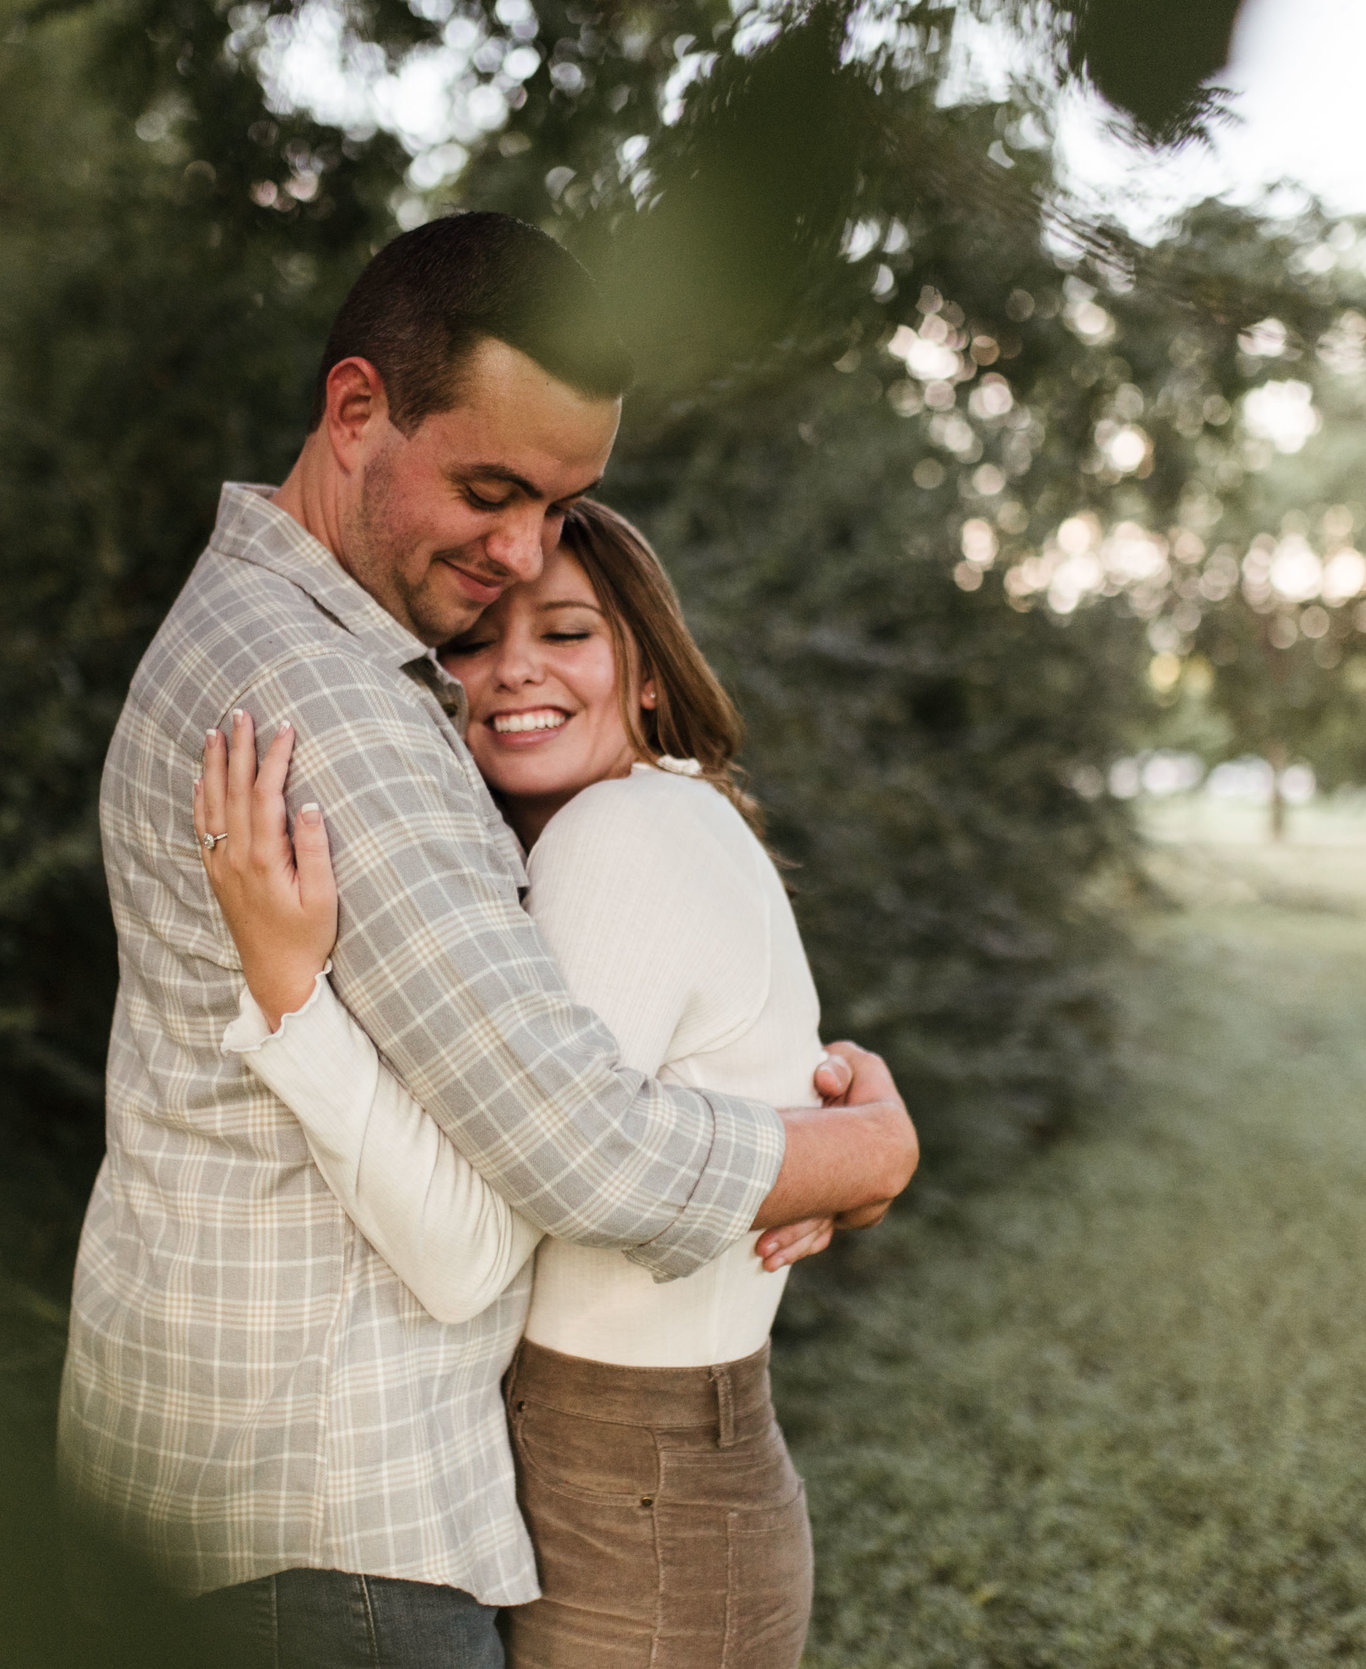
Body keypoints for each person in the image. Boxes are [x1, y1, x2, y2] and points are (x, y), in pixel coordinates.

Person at [57, 211, 914, 1667]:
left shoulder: (264, 634)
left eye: (563, 507)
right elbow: (578, 1156)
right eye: (491, 487)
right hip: (329, 1529)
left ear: (649, 670)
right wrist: (865, 1154)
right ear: (354, 410)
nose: (517, 554)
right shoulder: (336, 709)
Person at [194, 497, 906, 1667]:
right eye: (473, 639)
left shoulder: (619, 833)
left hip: (636, 1506)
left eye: (567, 631)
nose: (514, 667)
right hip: (641, 1485)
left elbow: (466, 1253)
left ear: (648, 675)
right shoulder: (658, 825)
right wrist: (859, 1156)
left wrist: (288, 997)